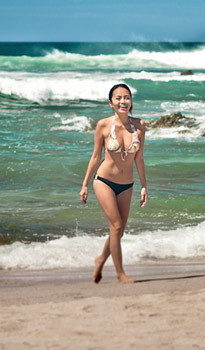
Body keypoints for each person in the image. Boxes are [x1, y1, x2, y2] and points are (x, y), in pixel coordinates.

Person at [80, 83, 148, 283]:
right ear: (111, 103)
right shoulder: (102, 125)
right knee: (116, 226)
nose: (123, 101)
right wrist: (84, 185)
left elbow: (140, 158)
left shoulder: (140, 125)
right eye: (118, 98)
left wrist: (144, 186)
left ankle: (101, 259)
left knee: (118, 231)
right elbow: (95, 157)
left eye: (126, 97)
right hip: (104, 181)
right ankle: (120, 274)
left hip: (127, 184)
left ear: (131, 101)